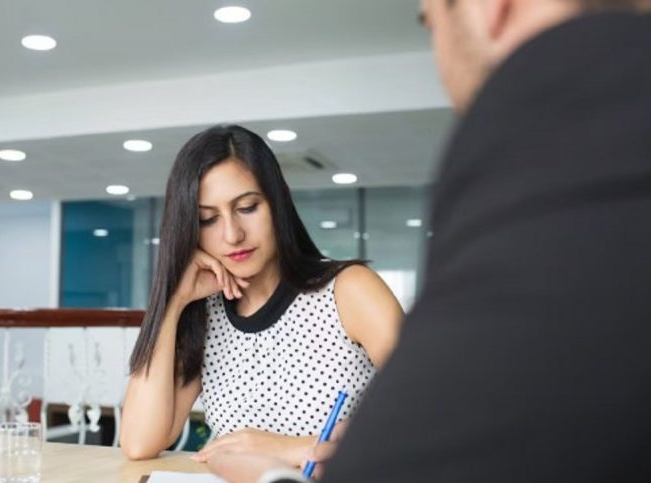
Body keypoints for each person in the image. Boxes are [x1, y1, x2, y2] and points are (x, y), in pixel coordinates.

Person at [208, 0, 651, 481]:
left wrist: (265, 471)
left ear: (490, 8)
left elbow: (453, 441)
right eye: (207, 218)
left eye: (432, 24)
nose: (441, 67)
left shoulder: (559, 138)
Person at [119, 125, 403, 467]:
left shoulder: (349, 290)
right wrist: (173, 301)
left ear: (277, 203)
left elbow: (440, 414)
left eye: (248, 207)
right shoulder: (205, 313)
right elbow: (138, 442)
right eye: (207, 219)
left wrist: (292, 449)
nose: (232, 234)